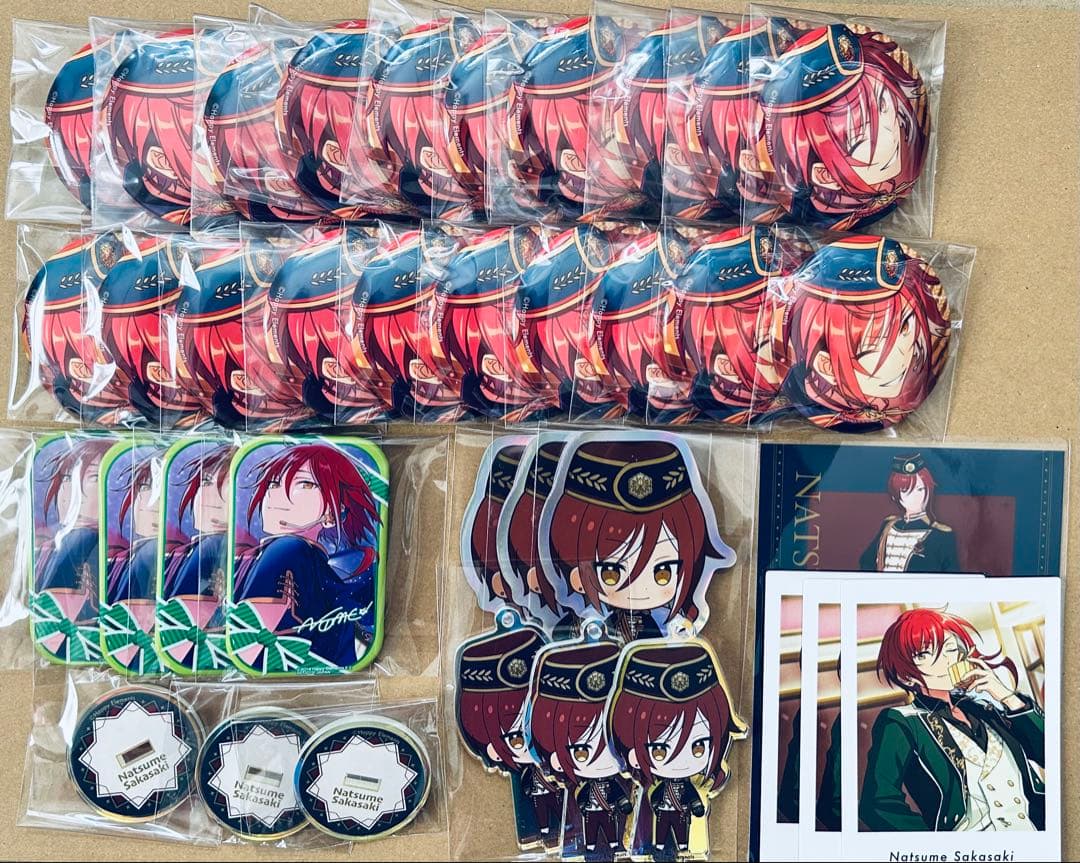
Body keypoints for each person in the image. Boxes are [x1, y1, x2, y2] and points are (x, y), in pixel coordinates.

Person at [861, 608, 1045, 831]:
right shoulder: (902, 722)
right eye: (925, 654)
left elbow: (1051, 755)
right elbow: (878, 804)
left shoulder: (983, 708)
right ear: (906, 676)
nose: (946, 660)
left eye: (950, 648)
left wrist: (1007, 697)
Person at [232, 442, 383, 671]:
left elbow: (248, 642)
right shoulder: (331, 570)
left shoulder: (288, 549)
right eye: (274, 483)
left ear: (332, 512)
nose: (279, 493)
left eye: (305, 484)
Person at [860, 454, 959, 572]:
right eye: (906, 490)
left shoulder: (941, 535)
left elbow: (951, 576)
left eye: (920, 489)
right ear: (895, 495)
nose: (916, 497)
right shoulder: (889, 525)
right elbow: (866, 562)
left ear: (929, 490)